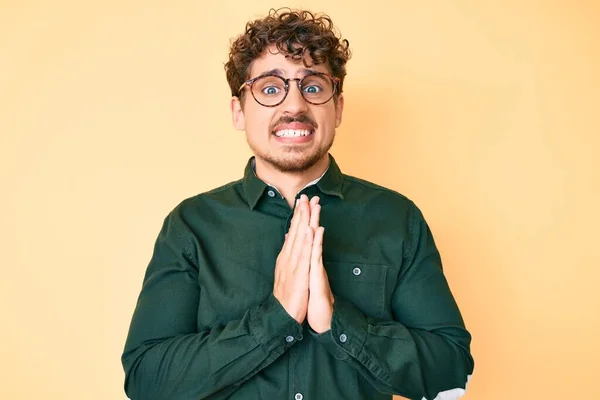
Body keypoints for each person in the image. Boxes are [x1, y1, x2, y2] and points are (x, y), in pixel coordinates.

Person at [121, 8, 474, 400]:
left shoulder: (396, 219)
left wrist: (336, 322)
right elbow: (145, 380)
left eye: (313, 86)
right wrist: (276, 318)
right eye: (271, 88)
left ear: (337, 108)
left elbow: (452, 371)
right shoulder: (191, 226)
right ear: (239, 112)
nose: (294, 106)